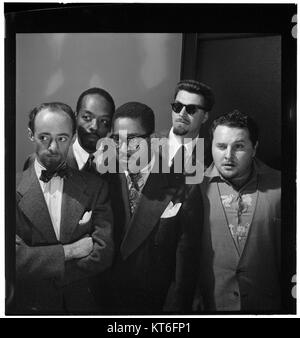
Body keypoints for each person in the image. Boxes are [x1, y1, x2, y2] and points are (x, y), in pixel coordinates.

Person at [95, 102, 202, 314]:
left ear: (152, 139)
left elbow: (185, 263)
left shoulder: (183, 184)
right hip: (107, 303)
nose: (123, 150)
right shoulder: (103, 180)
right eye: (117, 140)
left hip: (155, 305)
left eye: (133, 140)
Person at [15, 102, 114, 314]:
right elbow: (11, 258)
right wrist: (70, 251)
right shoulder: (7, 190)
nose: (53, 147)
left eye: (62, 138)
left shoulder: (96, 187)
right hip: (28, 308)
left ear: (73, 137)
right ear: (31, 134)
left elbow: (103, 252)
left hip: (80, 307)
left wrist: (41, 264)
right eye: (44, 137)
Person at [196, 110, 281, 312]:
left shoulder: (284, 185)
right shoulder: (195, 187)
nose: (228, 155)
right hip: (210, 304)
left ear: (254, 148)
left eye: (239, 147)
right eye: (221, 146)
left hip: (269, 306)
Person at [24, 87, 115, 174]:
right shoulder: (38, 160)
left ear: (111, 126)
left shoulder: (116, 168)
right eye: (87, 117)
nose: (94, 127)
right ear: (75, 117)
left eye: (104, 121)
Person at [157, 79, 214, 171]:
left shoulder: (213, 155)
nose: (182, 114)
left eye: (191, 109)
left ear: (205, 117)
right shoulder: (148, 144)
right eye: (177, 106)